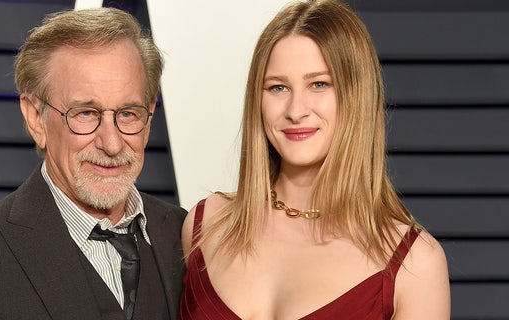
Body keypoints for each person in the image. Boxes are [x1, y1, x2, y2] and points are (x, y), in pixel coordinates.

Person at [0, 7, 186, 320]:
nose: (111, 143)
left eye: (128, 113)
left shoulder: (187, 236)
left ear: (149, 117)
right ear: (35, 119)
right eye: (85, 114)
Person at [179, 0, 450, 319]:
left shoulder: (415, 263)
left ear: (356, 96)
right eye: (278, 87)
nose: (296, 110)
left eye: (319, 84)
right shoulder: (205, 224)